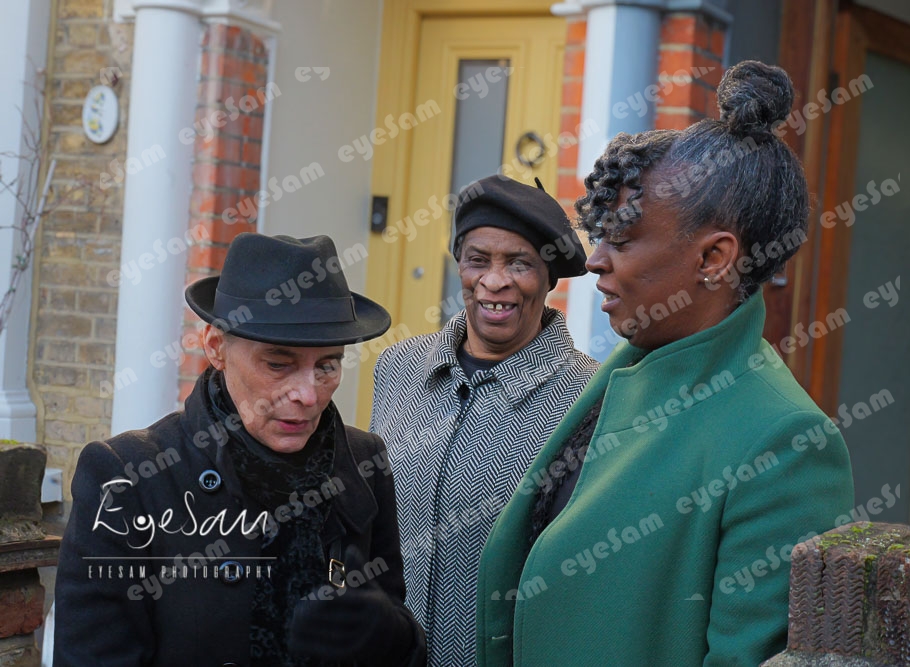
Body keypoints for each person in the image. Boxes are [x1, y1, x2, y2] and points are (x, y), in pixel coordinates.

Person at [476, 61, 855, 666]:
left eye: (623, 241)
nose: (594, 260)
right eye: (599, 236)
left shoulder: (787, 443)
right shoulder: (627, 368)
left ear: (714, 258)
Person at [55, 233, 426, 666]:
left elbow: (401, 644)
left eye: (327, 365)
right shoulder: (129, 474)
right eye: (278, 364)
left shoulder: (362, 462)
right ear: (216, 347)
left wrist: (388, 636)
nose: (308, 394)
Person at [369, 175, 599, 665]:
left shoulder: (590, 397)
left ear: (549, 278)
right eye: (478, 260)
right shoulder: (398, 368)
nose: (495, 281)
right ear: (459, 265)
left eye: (520, 263)